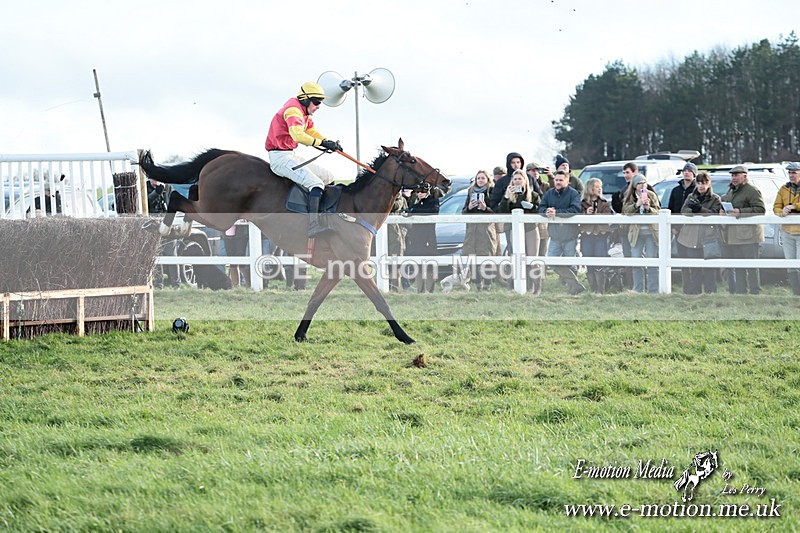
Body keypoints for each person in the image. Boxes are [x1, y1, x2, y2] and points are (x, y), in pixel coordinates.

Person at [265, 82, 342, 237]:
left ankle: (324, 215)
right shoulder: (293, 110)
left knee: (328, 177)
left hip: (289, 154)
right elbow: (298, 135)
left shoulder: (304, 112)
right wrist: (322, 143)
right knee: (316, 183)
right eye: (317, 101)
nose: (319, 106)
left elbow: (311, 131)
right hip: (279, 158)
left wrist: (329, 142)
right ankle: (312, 226)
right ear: (306, 100)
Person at [719, 165, 765, 294]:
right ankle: (741, 292)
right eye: (732, 175)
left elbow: (760, 209)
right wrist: (723, 211)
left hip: (749, 235)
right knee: (738, 266)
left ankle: (755, 292)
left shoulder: (752, 191)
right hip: (733, 235)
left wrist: (740, 211)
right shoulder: (731, 191)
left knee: (751, 266)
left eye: (736, 175)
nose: (734, 178)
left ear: (744, 176)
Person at [539, 170, 585, 295]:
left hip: (570, 234)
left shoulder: (574, 194)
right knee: (552, 262)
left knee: (571, 263)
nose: (558, 182)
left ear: (567, 181)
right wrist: (546, 211)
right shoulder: (549, 193)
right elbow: (541, 207)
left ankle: (573, 288)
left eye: (561, 180)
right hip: (555, 235)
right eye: (556, 180)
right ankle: (575, 284)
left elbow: (575, 209)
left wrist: (557, 213)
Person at [677, 171, 722, 294]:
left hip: (707, 237)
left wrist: (700, 209)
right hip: (691, 237)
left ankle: (710, 292)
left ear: (709, 184)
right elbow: (684, 210)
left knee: (709, 268)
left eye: (704, 183)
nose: (701, 186)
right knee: (694, 266)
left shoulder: (715, 198)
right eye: (699, 183)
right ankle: (695, 292)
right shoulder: (691, 196)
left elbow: (714, 213)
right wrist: (693, 210)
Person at [499, 169, 541, 293]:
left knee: (533, 260)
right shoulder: (509, 195)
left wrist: (531, 206)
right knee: (515, 258)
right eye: (515, 179)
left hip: (530, 229)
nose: (517, 181)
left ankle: (536, 288)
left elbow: (540, 210)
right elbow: (502, 211)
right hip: (513, 230)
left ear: (525, 181)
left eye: (520, 179)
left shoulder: (533, 195)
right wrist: (506, 197)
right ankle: (513, 287)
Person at [623, 174, 661, 294]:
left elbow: (658, 212)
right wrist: (637, 205)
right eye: (640, 183)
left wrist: (648, 208)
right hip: (636, 234)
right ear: (635, 185)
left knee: (652, 261)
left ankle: (653, 290)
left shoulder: (651, 195)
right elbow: (625, 211)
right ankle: (638, 289)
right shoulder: (630, 197)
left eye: (644, 182)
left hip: (651, 233)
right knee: (636, 260)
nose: (642, 185)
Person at [461, 170, 498, 290]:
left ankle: (487, 284)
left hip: (486, 229)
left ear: (487, 179)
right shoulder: (470, 191)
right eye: (478, 178)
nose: (480, 180)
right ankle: (477, 284)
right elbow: (463, 212)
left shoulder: (492, 191)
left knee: (487, 257)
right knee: (473, 258)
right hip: (472, 230)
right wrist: (469, 207)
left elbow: (496, 211)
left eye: (483, 178)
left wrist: (485, 208)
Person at [580, 178, 613, 293]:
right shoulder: (582, 203)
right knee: (588, 259)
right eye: (597, 186)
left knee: (600, 259)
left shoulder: (604, 202)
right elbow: (577, 216)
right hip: (587, 234)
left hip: (601, 234)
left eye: (600, 186)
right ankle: (593, 289)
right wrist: (585, 213)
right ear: (590, 188)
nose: (600, 189)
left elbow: (609, 215)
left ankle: (601, 290)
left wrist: (597, 214)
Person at [773, 162, 800, 295]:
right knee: (790, 263)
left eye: (794, 173)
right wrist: (781, 212)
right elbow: (776, 206)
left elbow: (795, 206)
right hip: (787, 231)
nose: (791, 175)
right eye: (789, 173)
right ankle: (796, 293)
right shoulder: (784, 189)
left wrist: (795, 206)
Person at [405, 190, 439, 293]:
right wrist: (416, 204)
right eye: (419, 191)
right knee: (418, 265)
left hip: (429, 236)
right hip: (416, 237)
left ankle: (430, 290)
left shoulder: (433, 200)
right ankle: (420, 290)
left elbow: (431, 211)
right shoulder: (414, 200)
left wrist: (415, 208)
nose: (420, 193)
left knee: (430, 265)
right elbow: (407, 211)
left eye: (423, 191)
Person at [527, 162, 552, 256]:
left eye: (537, 170)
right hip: (529, 222)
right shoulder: (525, 185)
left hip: (542, 221)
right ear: (527, 172)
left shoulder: (545, 185)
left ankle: (541, 269)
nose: (536, 172)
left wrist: (551, 177)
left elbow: (554, 192)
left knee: (542, 249)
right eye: (533, 170)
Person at [387, 192, 409, 291]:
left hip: (397, 237)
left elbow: (407, 218)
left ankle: (395, 288)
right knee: (382, 264)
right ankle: (385, 287)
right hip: (383, 236)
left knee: (396, 264)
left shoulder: (401, 199)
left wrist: (402, 231)